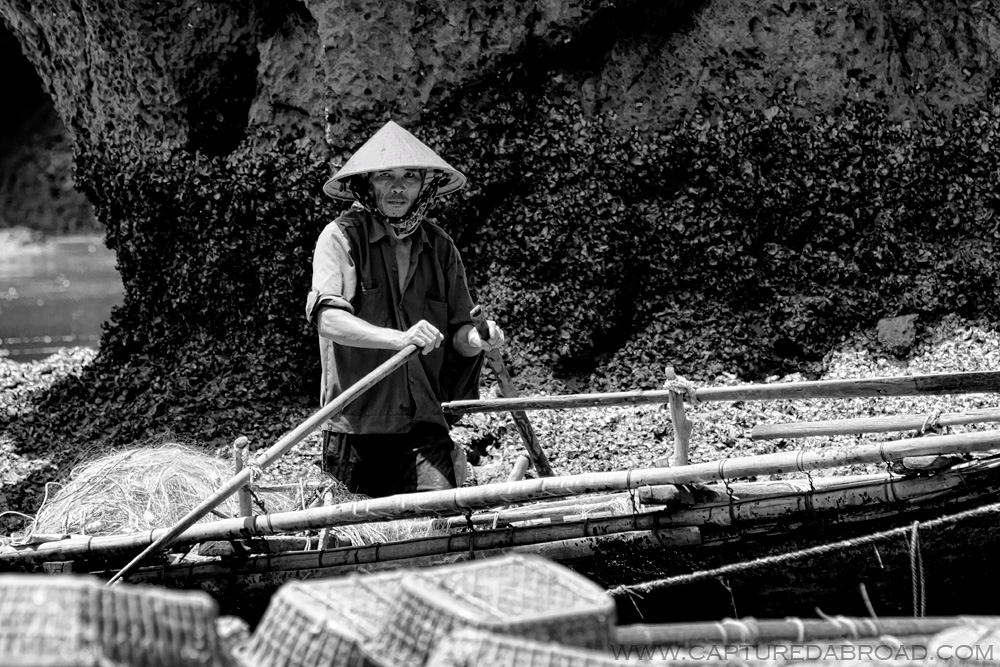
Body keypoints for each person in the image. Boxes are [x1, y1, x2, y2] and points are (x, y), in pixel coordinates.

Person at [306, 120, 505, 498]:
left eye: (410, 176)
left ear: (425, 186)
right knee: (356, 543)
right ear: (367, 184)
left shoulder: (440, 247)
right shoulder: (341, 237)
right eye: (385, 176)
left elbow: (460, 335)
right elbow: (328, 320)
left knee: (441, 529)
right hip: (357, 423)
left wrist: (480, 339)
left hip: (423, 420)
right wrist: (400, 339)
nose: (398, 188)